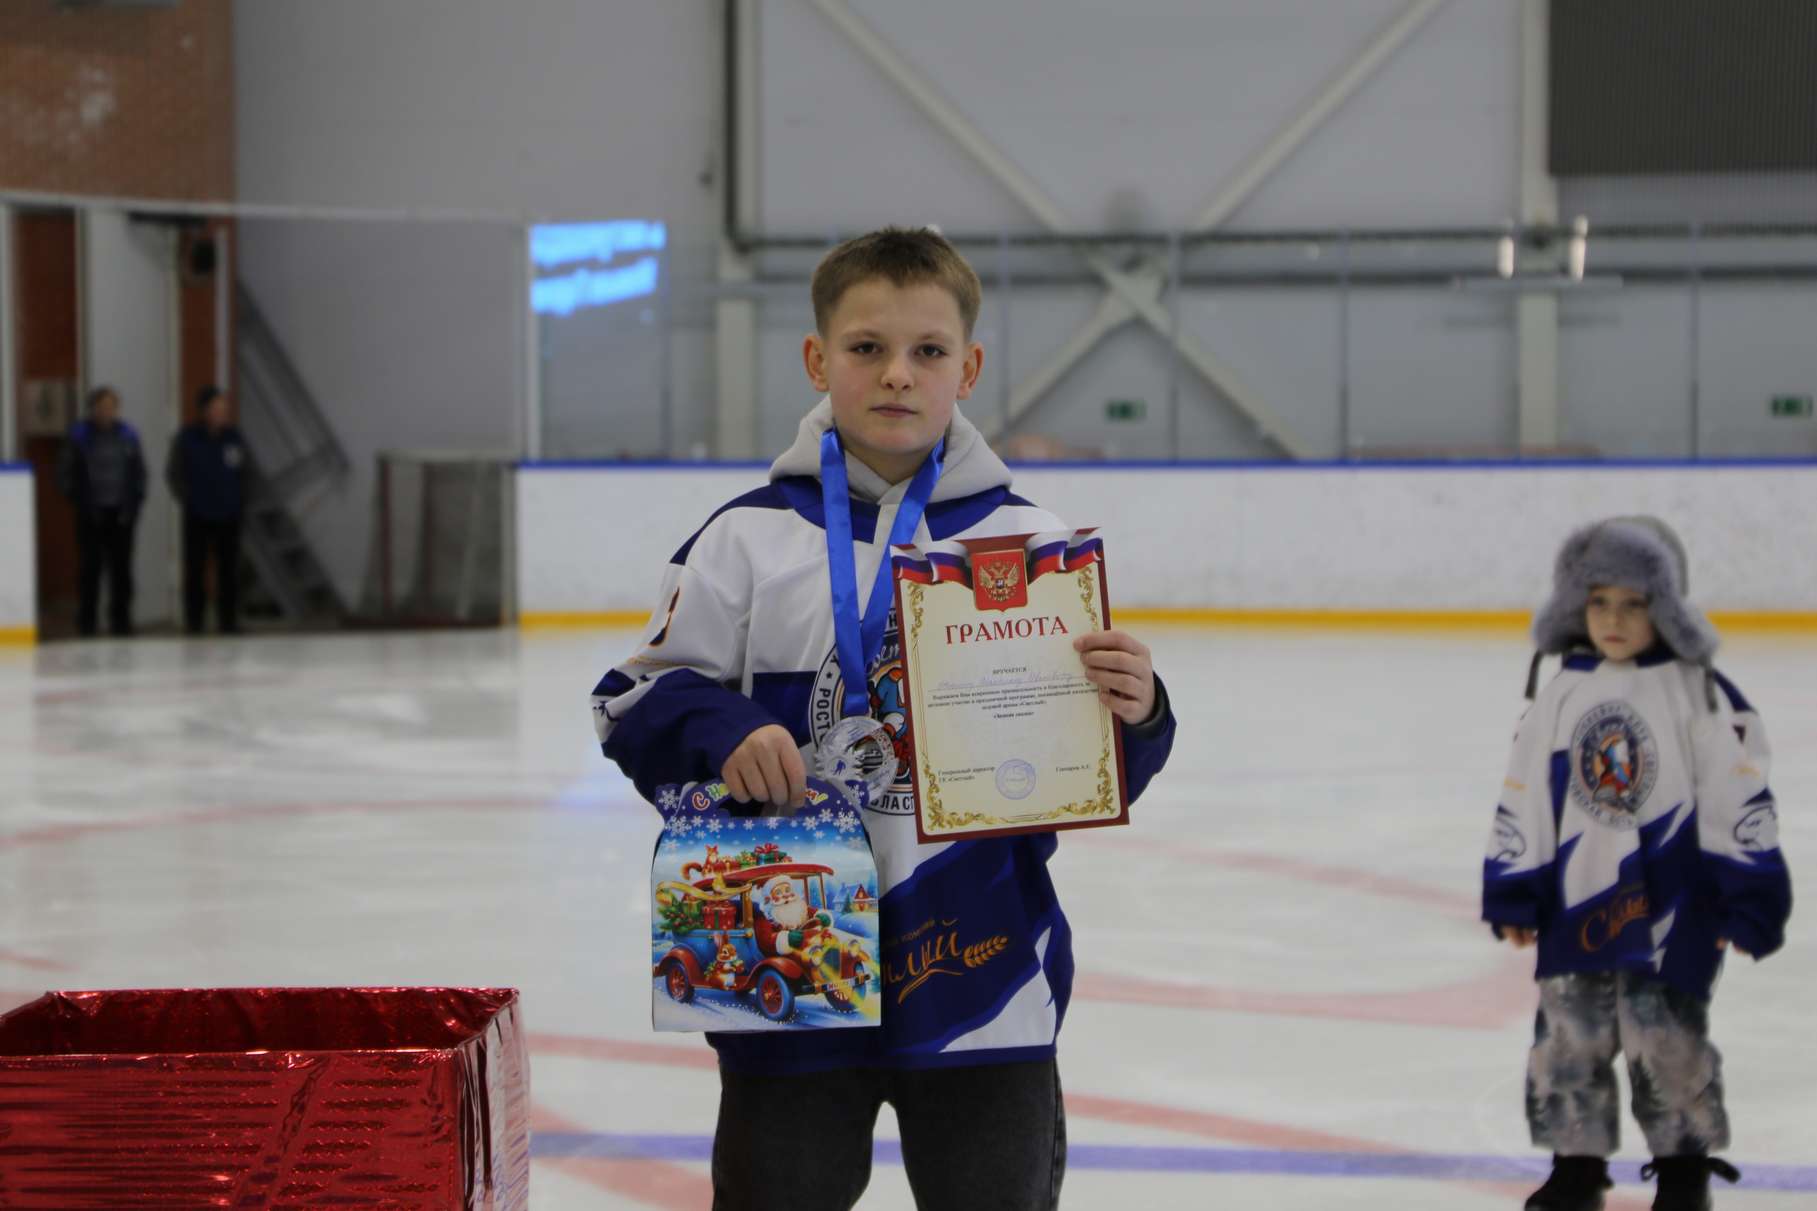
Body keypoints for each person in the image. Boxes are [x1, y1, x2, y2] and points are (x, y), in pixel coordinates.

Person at [592, 227, 1176, 1211]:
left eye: (927, 350)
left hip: (981, 972)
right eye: (866, 347)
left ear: (968, 368)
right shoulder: (743, 538)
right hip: (788, 956)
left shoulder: (1031, 547)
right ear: (817, 359)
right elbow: (633, 699)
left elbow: (1088, 760)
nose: (897, 373)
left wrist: (1139, 709)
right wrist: (721, 729)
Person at [1483, 517, 1792, 1211]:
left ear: (1667, 607)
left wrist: (1748, 896)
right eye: (1598, 602)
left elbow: (1736, 797)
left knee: (1668, 1039)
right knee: (1569, 1039)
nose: (1613, 619)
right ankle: (1575, 1169)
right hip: (1575, 903)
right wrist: (1514, 888)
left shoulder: (1697, 692)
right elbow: (1525, 793)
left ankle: (1683, 1174)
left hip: (1673, 907)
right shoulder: (1560, 692)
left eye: (1633, 603)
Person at [57, 386, 146, 637]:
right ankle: (87, 622)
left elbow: (139, 473)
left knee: (121, 571)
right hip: (91, 515)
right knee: (90, 570)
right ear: (93, 408)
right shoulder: (79, 435)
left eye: (111, 406)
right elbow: (64, 472)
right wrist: (79, 500)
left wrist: (134, 503)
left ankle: (121, 622)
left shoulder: (128, 435)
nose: (107, 411)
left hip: (121, 514)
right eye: (102, 406)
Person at [166, 385, 248, 634]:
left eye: (224, 407)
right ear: (204, 410)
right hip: (197, 514)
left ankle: (228, 621)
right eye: (216, 407)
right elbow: (174, 473)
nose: (221, 412)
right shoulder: (187, 437)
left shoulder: (234, 438)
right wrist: (187, 498)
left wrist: (241, 500)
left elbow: (247, 473)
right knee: (195, 569)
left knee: (229, 570)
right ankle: (195, 621)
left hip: (229, 514)